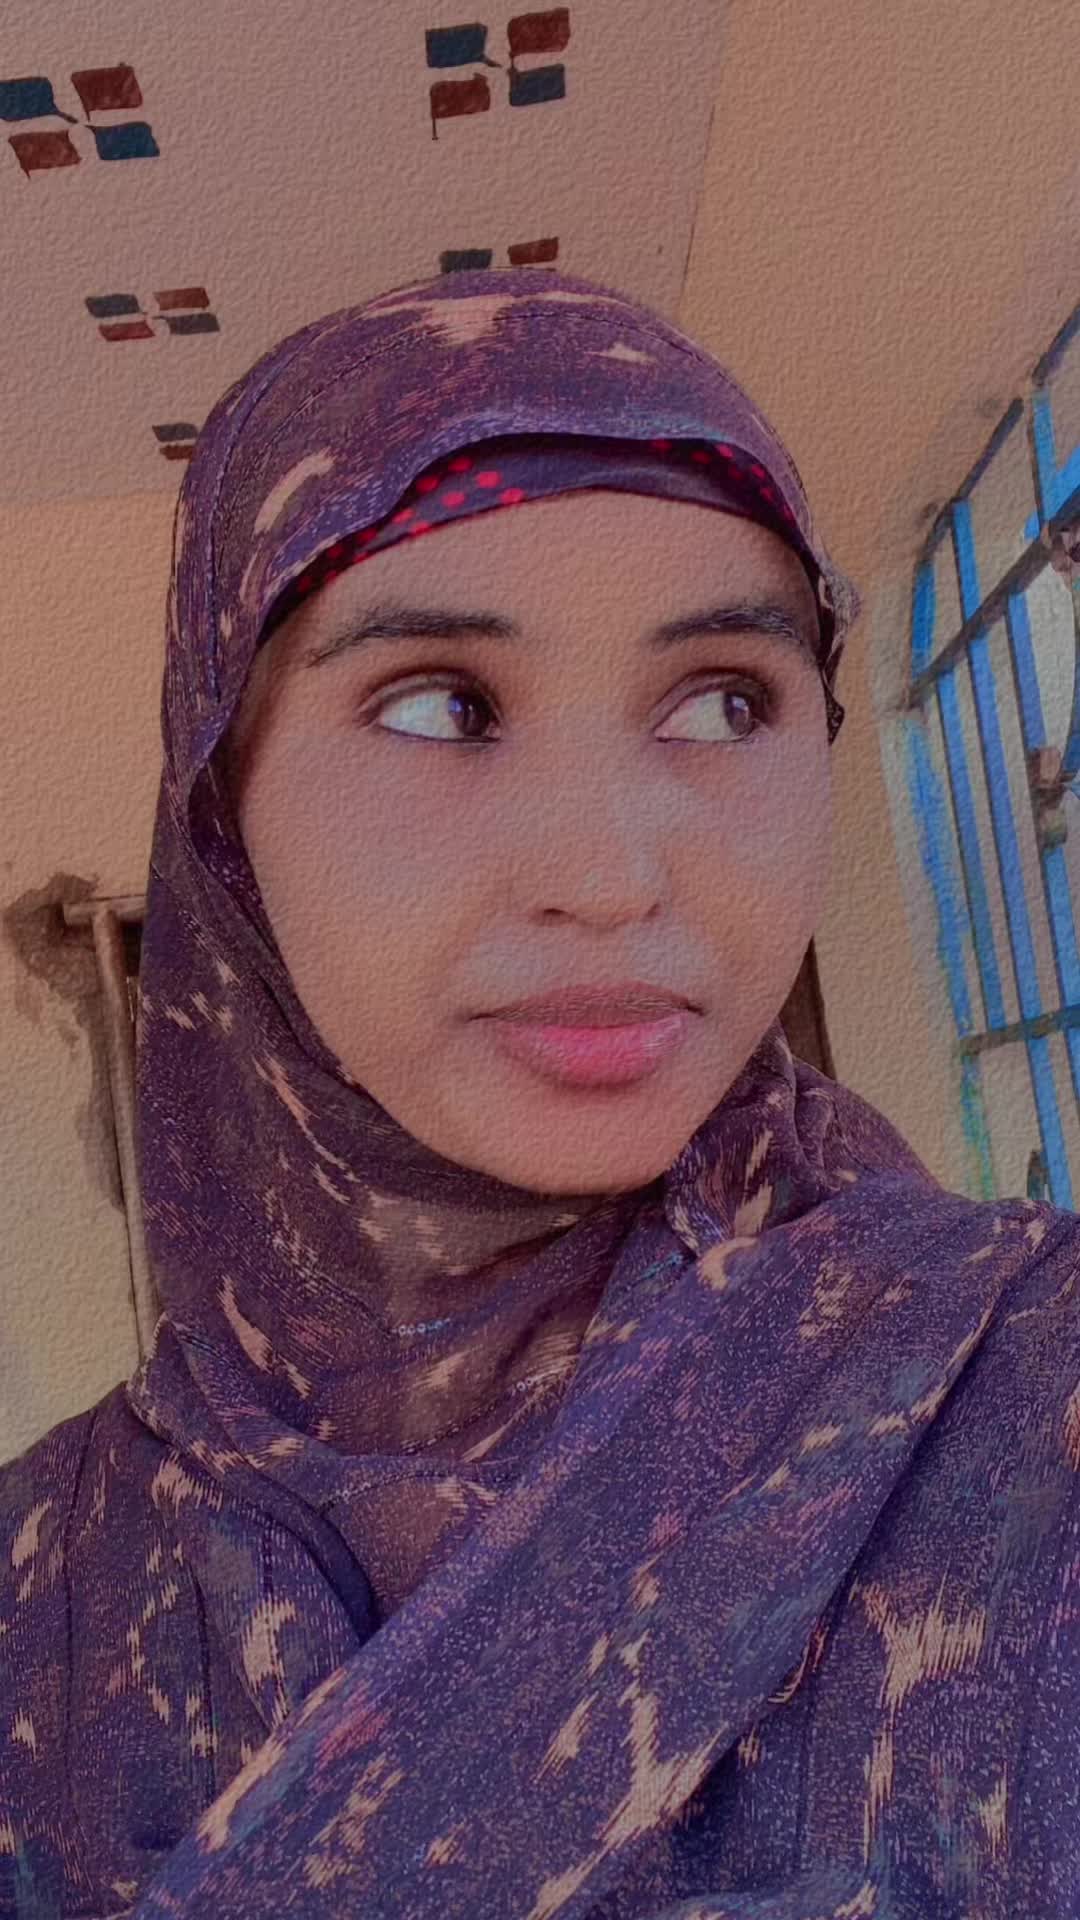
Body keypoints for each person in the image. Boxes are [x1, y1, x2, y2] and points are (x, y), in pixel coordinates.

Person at [2, 265, 1078, 1920]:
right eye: (441, 706)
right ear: (224, 814)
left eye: (724, 700)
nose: (607, 876)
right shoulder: (40, 1607)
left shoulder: (1015, 1384)